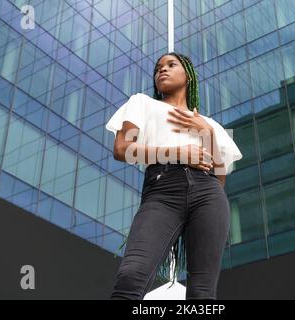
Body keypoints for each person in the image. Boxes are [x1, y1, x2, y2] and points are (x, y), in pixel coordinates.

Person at [105, 52, 243, 300]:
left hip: (208, 194)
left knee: (202, 292)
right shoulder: (142, 103)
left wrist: (207, 134)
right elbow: (122, 150)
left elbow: (221, 176)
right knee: (131, 275)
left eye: (171, 65)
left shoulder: (211, 124)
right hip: (162, 191)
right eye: (158, 68)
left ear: (188, 76)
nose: (162, 70)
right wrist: (177, 153)